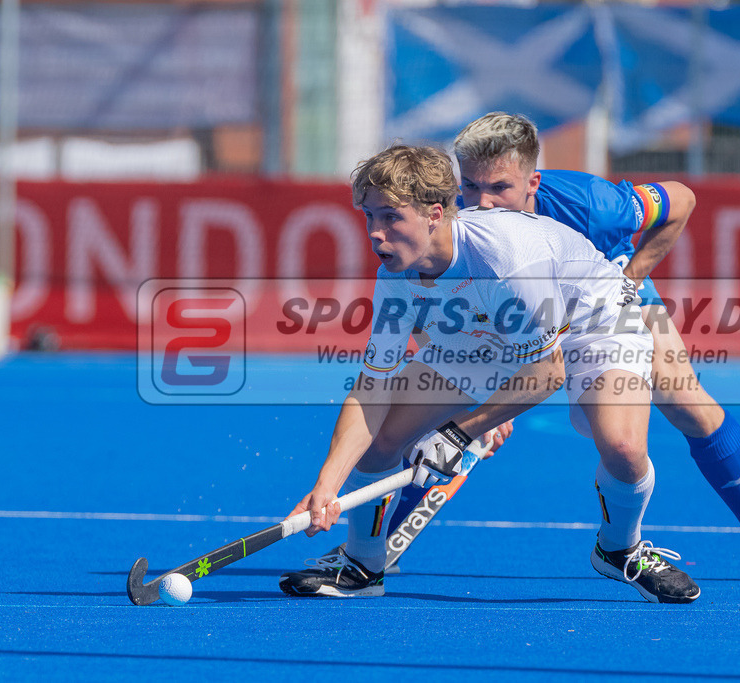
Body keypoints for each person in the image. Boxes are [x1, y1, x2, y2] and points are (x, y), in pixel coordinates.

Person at [279, 144, 700, 603]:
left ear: (434, 214)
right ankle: (363, 565)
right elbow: (372, 387)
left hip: (593, 321)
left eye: (390, 218)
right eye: (369, 218)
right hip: (483, 331)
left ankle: (620, 549)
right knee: (382, 439)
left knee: (623, 446)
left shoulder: (504, 260)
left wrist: (463, 430)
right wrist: (328, 484)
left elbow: (547, 371)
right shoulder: (395, 277)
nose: (376, 235)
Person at [429, 112, 740, 584]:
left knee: (689, 405)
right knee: (440, 403)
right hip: (523, 314)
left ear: (533, 181)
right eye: (470, 187)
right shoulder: (456, 220)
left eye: (499, 188)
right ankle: (373, 547)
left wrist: (630, 279)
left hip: (609, 303)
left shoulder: (595, 203)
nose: (482, 203)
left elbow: (682, 199)